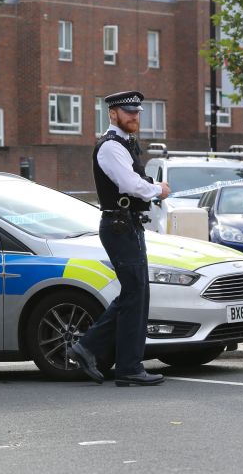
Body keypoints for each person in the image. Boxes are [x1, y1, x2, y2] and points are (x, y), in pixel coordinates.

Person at [68, 90, 171, 387]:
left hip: (127, 225)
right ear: (113, 114)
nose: (134, 117)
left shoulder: (125, 144)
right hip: (119, 226)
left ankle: (119, 360)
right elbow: (129, 185)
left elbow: (132, 181)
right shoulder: (111, 147)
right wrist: (157, 190)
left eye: (137, 112)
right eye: (128, 112)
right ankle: (109, 357)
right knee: (135, 293)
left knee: (136, 293)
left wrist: (149, 187)